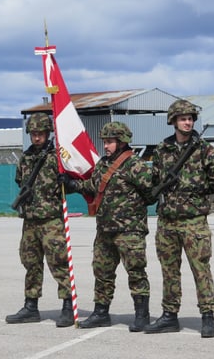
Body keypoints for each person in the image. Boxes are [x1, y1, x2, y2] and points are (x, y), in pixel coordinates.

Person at [143, 99, 214, 338]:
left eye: (191, 118)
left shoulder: (204, 149)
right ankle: (169, 315)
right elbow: (154, 179)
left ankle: (207, 315)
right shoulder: (162, 150)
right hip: (168, 220)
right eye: (183, 118)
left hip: (194, 220)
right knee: (169, 270)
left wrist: (196, 186)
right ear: (173, 121)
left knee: (200, 269)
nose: (188, 122)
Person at [59, 122, 153, 332]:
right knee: (101, 271)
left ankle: (142, 314)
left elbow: (151, 192)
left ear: (121, 142)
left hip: (129, 231)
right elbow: (92, 186)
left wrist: (132, 212)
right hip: (104, 230)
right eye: (105, 142)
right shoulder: (103, 164)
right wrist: (72, 184)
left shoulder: (135, 165)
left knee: (136, 271)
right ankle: (101, 312)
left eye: (110, 142)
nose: (106, 146)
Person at [5, 112, 74, 328]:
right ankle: (30, 306)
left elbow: (73, 180)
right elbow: (20, 181)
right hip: (31, 221)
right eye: (33, 134)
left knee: (59, 263)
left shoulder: (57, 157)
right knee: (31, 263)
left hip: (51, 220)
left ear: (48, 133)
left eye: (41, 134)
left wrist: (68, 181)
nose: (37, 138)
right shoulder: (25, 159)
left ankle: (67, 307)